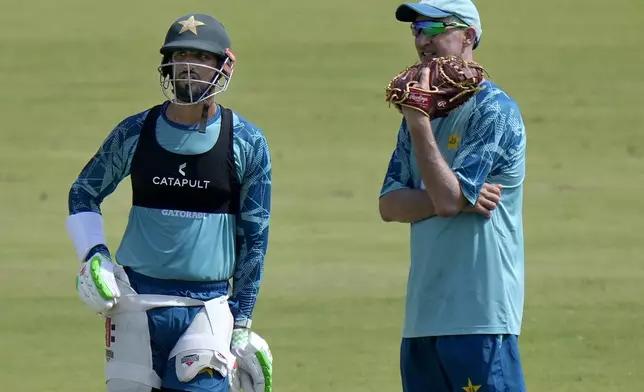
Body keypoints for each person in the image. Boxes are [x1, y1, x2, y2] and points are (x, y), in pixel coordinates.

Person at [65, 13, 273, 392]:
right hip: (133, 302)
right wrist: (95, 255)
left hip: (207, 308)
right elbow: (84, 191)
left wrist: (241, 323)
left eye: (201, 57)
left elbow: (255, 238)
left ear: (224, 65)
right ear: (168, 64)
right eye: (181, 56)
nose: (189, 68)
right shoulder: (135, 131)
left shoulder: (247, 142)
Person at [379, 1, 528, 391]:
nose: (420, 40)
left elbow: (445, 200)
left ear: (469, 36)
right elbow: (389, 205)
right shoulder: (422, 114)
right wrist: (457, 198)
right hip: (422, 320)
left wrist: (419, 124)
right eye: (415, 30)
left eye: (432, 28)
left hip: (480, 317)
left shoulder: (494, 110)